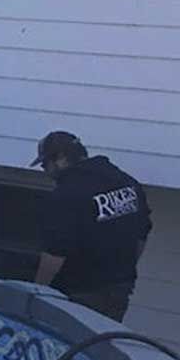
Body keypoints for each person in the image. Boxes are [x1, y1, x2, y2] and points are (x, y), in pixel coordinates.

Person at [32, 130, 151, 322]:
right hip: (119, 292)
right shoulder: (126, 182)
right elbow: (141, 235)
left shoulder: (66, 195)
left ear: (61, 159)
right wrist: (122, 271)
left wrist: (36, 292)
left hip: (79, 296)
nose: (45, 171)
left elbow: (54, 254)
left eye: (45, 164)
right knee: (103, 346)